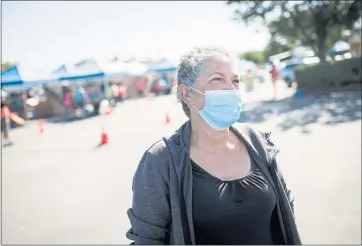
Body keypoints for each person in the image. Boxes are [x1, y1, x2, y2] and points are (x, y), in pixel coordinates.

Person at [126, 47, 301, 245]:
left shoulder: (259, 142)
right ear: (187, 94)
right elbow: (148, 239)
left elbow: (286, 211)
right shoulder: (161, 161)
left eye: (235, 80)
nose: (231, 89)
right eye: (217, 80)